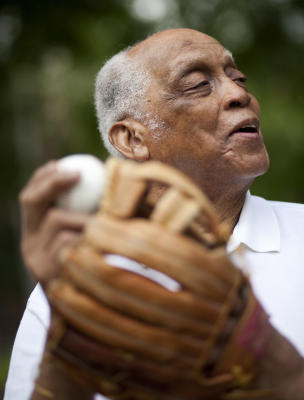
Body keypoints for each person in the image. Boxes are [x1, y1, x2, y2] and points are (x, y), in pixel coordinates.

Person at [4, 28, 304, 400]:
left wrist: (279, 366)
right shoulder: (71, 293)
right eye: (198, 84)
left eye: (237, 77)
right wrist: (62, 368)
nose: (240, 94)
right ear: (132, 139)